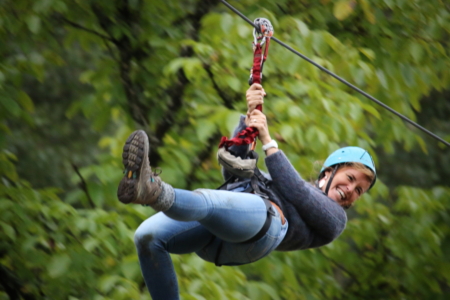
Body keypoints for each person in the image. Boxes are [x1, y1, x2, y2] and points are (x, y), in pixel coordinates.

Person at [117, 83, 377, 300]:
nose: (351, 190)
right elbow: (236, 170)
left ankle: (152, 190)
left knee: (207, 199)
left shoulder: (335, 219)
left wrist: (267, 140)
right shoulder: (275, 182)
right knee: (146, 236)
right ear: (329, 172)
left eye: (359, 190)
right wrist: (249, 116)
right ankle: (150, 190)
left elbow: (297, 191)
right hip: (217, 238)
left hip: (263, 227)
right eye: (350, 178)